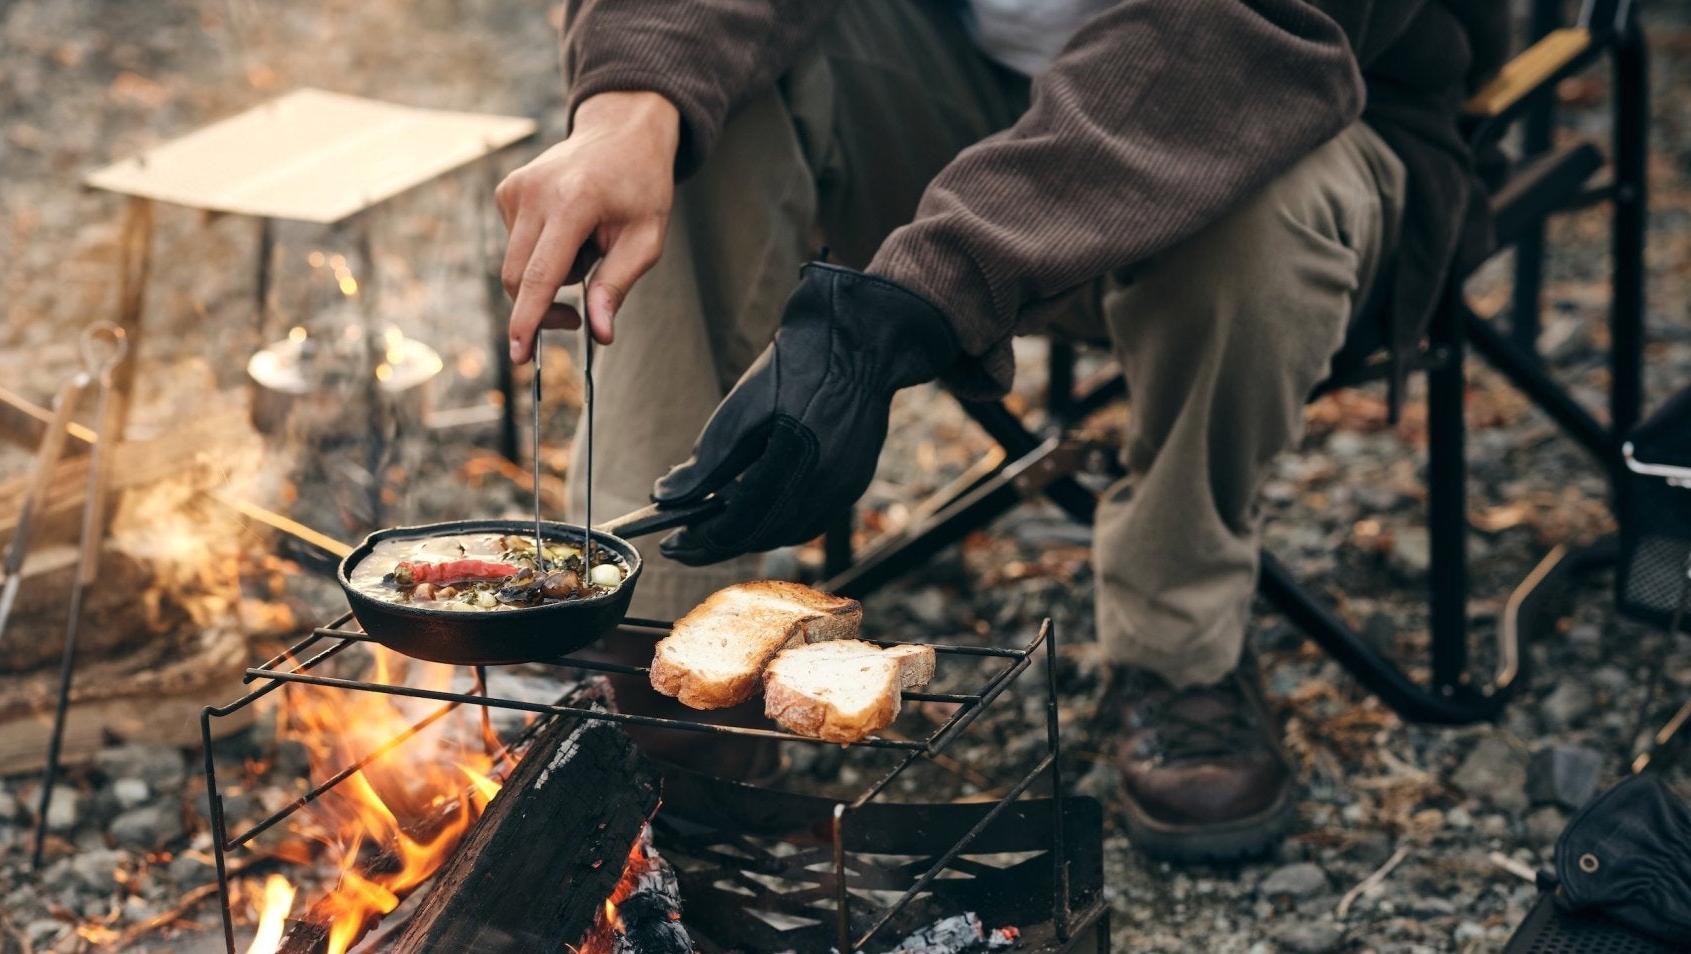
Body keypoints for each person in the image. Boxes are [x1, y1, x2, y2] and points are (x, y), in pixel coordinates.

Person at [493, 0, 1506, 862]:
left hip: (1281, 114)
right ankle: (669, 656)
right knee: (695, 104)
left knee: (1258, 223)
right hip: (964, 98)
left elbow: (1238, 34)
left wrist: (908, 304)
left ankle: (1178, 644)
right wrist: (633, 101)